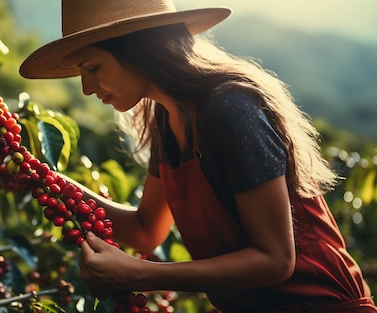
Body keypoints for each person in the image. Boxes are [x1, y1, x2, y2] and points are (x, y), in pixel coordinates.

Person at [19, 0, 377, 312]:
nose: (86, 88)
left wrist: (140, 274)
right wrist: (43, 178)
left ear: (138, 50)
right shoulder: (165, 117)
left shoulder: (229, 109)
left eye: (92, 68)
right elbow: (146, 230)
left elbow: (276, 259)